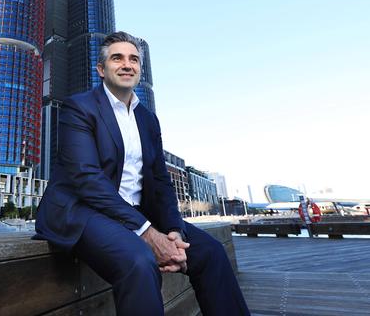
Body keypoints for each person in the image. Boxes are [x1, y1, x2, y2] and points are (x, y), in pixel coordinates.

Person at [35, 31, 250, 315]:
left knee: (210, 253)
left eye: (134, 59)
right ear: (101, 69)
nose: (127, 64)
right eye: (117, 58)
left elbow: (160, 181)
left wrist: (173, 231)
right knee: (139, 260)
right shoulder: (79, 108)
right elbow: (86, 180)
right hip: (84, 211)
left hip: (136, 215)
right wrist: (148, 233)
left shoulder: (147, 119)